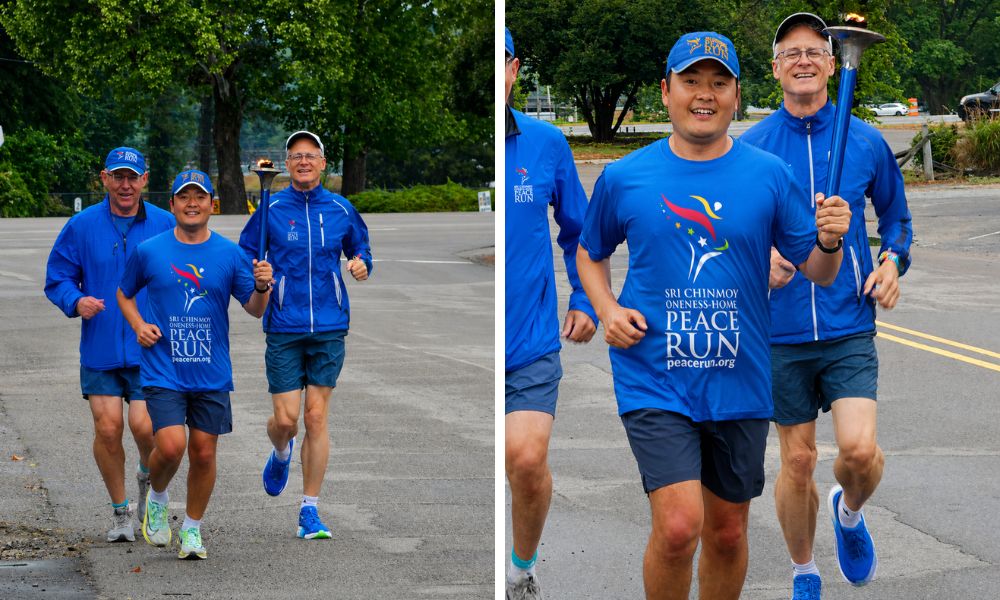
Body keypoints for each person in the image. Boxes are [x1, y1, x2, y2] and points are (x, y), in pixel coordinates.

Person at [576, 31, 852, 600]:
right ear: (666, 91)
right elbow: (589, 250)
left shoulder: (770, 174)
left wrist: (831, 242)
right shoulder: (625, 177)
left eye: (718, 82)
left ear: (736, 94)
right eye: (691, 81)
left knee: (726, 533)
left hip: (741, 382)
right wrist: (605, 308)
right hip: (655, 377)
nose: (705, 94)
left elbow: (818, 271)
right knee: (679, 528)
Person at [739, 13, 913, 598]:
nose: (804, 60)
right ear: (775, 69)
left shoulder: (864, 139)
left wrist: (892, 263)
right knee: (796, 461)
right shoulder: (754, 148)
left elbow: (897, 221)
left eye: (815, 50)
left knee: (859, 453)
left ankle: (848, 511)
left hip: (845, 324)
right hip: (780, 331)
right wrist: (758, 262)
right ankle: (804, 570)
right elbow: (731, 231)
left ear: (833, 62)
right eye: (791, 53)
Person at [117, 169, 272, 559]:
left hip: (211, 370)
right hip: (163, 366)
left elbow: (254, 311)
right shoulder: (150, 250)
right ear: (172, 205)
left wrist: (262, 286)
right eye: (183, 196)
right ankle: (156, 496)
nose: (191, 203)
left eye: (199, 197)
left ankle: (191, 529)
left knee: (203, 453)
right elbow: (123, 293)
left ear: (211, 205)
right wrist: (139, 325)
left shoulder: (230, 254)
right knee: (170, 446)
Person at [238, 130, 372, 540]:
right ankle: (280, 451)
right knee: (287, 420)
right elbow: (246, 253)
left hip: (330, 325)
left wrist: (362, 264)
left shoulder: (341, 209)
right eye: (296, 156)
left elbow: (361, 249)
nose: (303, 162)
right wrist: (258, 275)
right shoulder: (271, 208)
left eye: (310, 155)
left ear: (323, 162)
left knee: (315, 416)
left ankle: (309, 509)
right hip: (283, 324)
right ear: (288, 164)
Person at [504, 26, 598, 600]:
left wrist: (584, 298)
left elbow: (580, 234)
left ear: (514, 70)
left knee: (527, 459)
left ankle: (521, 567)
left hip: (531, 342)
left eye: (501, 61)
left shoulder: (546, 145)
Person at [45, 147, 175, 542]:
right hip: (100, 348)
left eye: (132, 177)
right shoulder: (81, 226)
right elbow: (58, 278)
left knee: (145, 428)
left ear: (145, 180)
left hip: (148, 348)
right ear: (104, 179)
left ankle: (148, 479)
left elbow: (189, 270)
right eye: (117, 177)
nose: (125, 185)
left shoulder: (165, 224)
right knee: (107, 428)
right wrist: (75, 300)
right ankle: (121, 515)